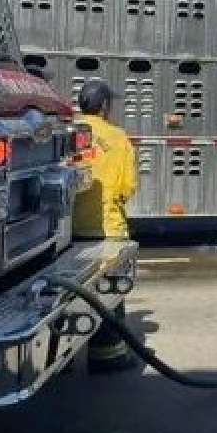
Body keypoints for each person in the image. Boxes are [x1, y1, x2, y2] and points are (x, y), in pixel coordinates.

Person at [72, 79, 139, 374]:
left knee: (68, 297)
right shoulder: (117, 138)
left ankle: (61, 363)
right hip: (106, 230)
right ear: (104, 107)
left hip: (66, 233)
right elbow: (128, 186)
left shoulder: (67, 131)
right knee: (108, 294)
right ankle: (108, 356)